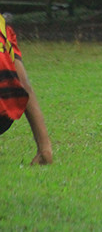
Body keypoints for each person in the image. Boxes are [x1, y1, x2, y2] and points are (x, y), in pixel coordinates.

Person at [0, 14, 53, 165]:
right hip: (5, 116)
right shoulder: (3, 27)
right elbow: (24, 84)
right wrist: (44, 149)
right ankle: (44, 151)